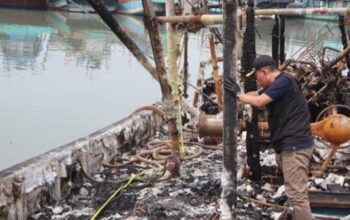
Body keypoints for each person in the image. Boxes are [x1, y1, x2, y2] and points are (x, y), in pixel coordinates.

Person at [227, 55, 315, 220]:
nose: (257, 80)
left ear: (264, 72)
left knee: (297, 196)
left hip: (295, 146)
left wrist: (238, 95)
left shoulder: (284, 82)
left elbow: (260, 101)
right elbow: (256, 94)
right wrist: (235, 96)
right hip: (286, 146)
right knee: (293, 193)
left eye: (257, 76)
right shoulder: (277, 84)